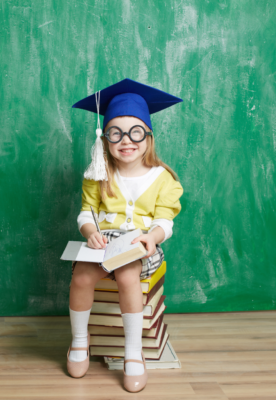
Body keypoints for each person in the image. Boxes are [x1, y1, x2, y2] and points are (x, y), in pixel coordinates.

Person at [66, 78, 184, 393]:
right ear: (104, 138)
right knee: (80, 275)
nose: (126, 141)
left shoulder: (164, 179)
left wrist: (152, 237)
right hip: (104, 242)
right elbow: (86, 213)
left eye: (135, 133)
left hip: (142, 243)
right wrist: (90, 232)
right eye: (116, 133)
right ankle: (79, 341)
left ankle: (134, 352)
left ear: (148, 136)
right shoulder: (98, 174)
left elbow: (165, 220)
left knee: (129, 274)